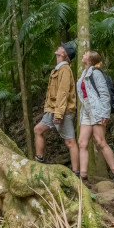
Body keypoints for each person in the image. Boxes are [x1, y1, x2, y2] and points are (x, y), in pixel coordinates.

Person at [76, 51, 114, 187]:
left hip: (97, 110)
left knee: (100, 142)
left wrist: (104, 114)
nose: (83, 55)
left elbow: (104, 94)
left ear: (91, 59)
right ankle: (83, 178)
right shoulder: (83, 74)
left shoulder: (96, 73)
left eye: (85, 54)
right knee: (82, 143)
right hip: (86, 110)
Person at [33, 42, 79, 170]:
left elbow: (63, 92)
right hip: (53, 110)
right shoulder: (59, 69)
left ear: (64, 54)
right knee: (38, 130)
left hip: (62, 111)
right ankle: (39, 161)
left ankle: (77, 174)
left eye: (61, 48)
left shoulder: (65, 70)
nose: (58, 48)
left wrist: (59, 114)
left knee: (70, 142)